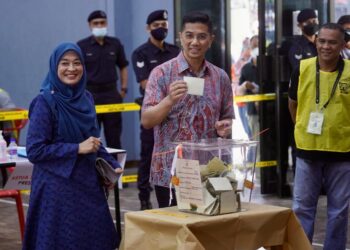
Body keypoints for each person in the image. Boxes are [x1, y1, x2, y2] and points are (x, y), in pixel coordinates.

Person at [23, 43, 123, 249]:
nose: (72, 68)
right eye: (65, 63)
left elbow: (92, 141)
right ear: (54, 67)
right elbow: (35, 150)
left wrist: (112, 165)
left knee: (94, 240)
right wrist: (76, 148)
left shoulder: (86, 98)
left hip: (87, 184)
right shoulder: (44, 102)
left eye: (77, 63)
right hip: (56, 189)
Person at [141, 11, 234, 208]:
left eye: (202, 36)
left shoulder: (220, 77)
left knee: (209, 229)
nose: (195, 42)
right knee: (175, 233)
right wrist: (169, 100)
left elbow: (227, 120)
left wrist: (224, 128)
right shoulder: (162, 74)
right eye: (189, 35)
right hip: (171, 170)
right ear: (180, 37)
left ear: (211, 40)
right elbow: (147, 120)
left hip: (210, 168)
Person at [288, 23, 350, 250]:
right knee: (302, 208)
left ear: (343, 45)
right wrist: (302, 128)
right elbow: (293, 104)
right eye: (322, 41)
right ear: (316, 41)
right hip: (307, 150)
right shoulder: (302, 68)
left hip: (343, 152)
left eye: (332, 42)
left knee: (339, 211)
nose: (326, 46)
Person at [131, 10, 180, 210]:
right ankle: (144, 196)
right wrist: (171, 90)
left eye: (164, 24)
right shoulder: (140, 53)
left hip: (176, 115)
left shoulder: (175, 51)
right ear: (148, 28)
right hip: (153, 112)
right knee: (148, 154)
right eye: (156, 25)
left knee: (176, 154)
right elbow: (145, 83)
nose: (161, 28)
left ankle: (177, 193)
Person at [78, 10, 129, 150]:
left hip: (111, 94)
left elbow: (123, 66)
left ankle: (116, 170)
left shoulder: (115, 43)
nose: (99, 25)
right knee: (90, 138)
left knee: (114, 137)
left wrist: (123, 89)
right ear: (89, 25)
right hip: (90, 95)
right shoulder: (82, 46)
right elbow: (76, 70)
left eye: (102, 22)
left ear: (106, 23)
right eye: (96, 23)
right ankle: (91, 170)